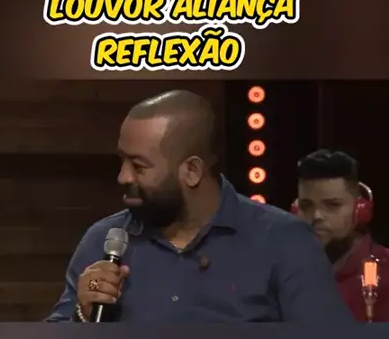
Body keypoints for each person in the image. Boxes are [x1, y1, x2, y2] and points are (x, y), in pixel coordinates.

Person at [47, 91, 352, 323]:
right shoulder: (103, 241)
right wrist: (82, 314)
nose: (123, 177)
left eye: (138, 166)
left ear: (192, 171)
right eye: (122, 161)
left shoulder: (284, 241)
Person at [292, 149, 389, 322]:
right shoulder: (282, 272)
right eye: (306, 206)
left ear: (359, 211)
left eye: (332, 205)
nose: (316, 215)